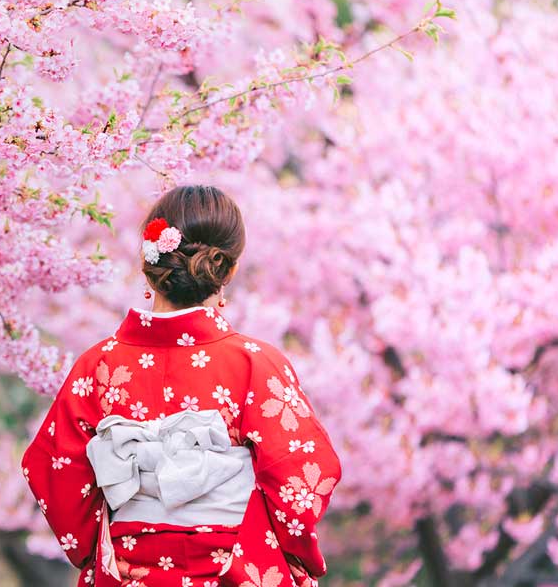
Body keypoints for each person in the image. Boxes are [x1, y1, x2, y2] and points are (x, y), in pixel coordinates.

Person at [21, 185, 342, 587]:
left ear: (148, 264)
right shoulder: (255, 364)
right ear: (228, 270)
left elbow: (53, 469)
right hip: (232, 571)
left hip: (128, 571)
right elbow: (302, 475)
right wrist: (282, 554)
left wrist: (102, 547)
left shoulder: (97, 366)